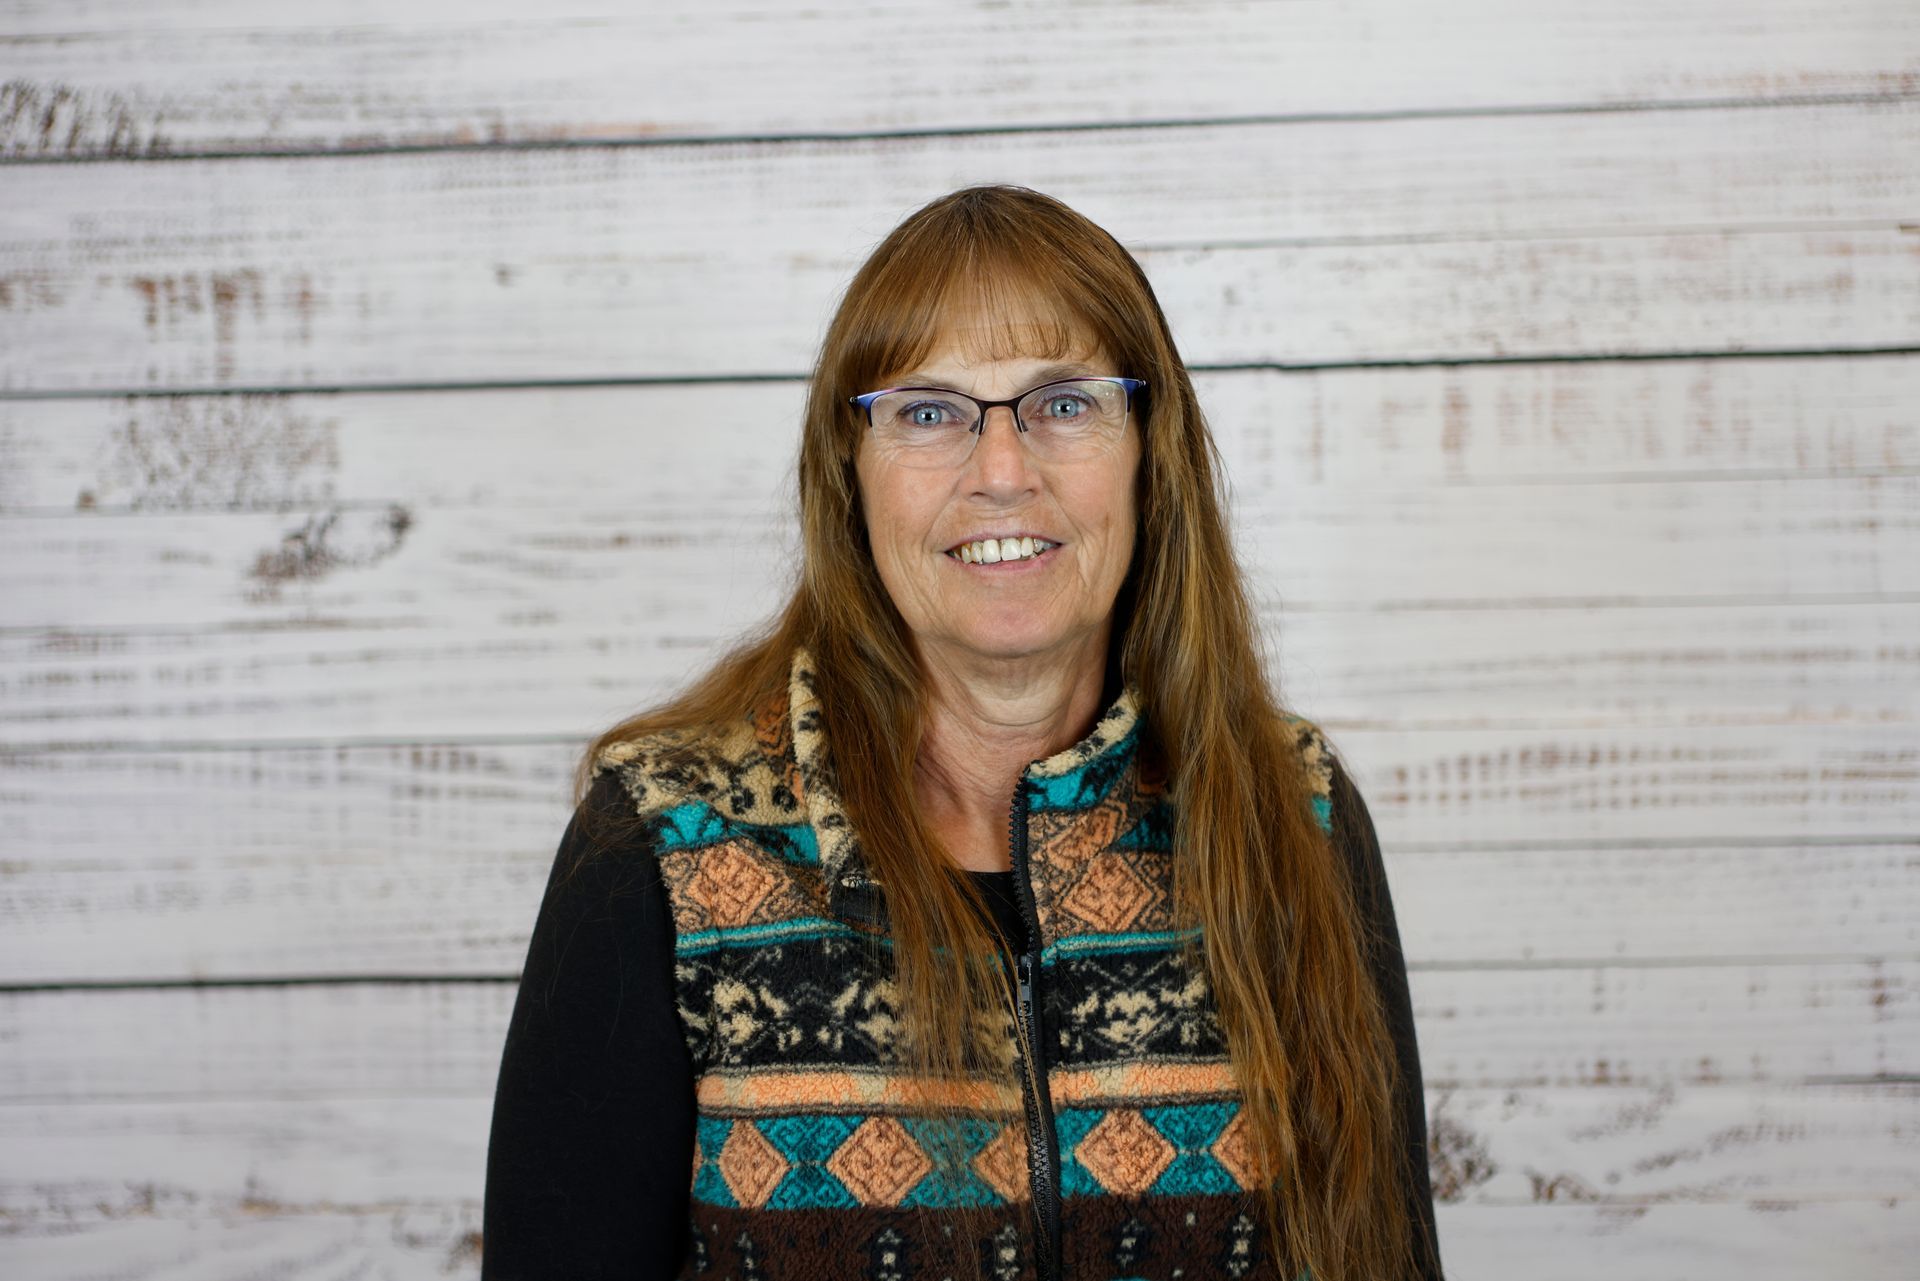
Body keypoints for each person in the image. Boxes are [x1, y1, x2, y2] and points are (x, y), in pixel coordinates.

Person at [482, 184, 1443, 1281]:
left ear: (1149, 451)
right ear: (851, 473)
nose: (1000, 472)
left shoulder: (1293, 809)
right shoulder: (669, 841)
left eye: (1065, 403)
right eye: (930, 411)